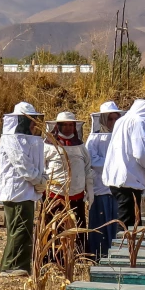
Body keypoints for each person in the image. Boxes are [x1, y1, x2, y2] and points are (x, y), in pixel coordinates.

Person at [101, 95, 145, 228]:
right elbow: (142, 154)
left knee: (126, 223)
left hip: (120, 180)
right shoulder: (139, 122)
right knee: (128, 228)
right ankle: (124, 249)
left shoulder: (123, 120)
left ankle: (124, 248)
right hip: (128, 183)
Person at [0, 102, 47, 277]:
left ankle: (13, 265)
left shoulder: (24, 139)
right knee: (20, 228)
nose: (34, 124)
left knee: (21, 228)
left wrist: (41, 179)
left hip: (24, 190)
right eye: (31, 121)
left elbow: (33, 163)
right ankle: (12, 266)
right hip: (17, 191)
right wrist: (39, 180)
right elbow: (22, 165)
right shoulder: (12, 139)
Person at [44, 111, 92, 265]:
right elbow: (41, 168)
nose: (68, 128)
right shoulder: (48, 146)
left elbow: (88, 169)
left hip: (77, 196)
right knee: (52, 230)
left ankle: (77, 258)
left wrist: (89, 189)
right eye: (64, 124)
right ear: (58, 126)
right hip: (54, 197)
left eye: (71, 124)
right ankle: (51, 259)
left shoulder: (81, 147)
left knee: (77, 229)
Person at [86, 102, 124, 258]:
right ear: (102, 119)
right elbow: (91, 160)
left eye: (116, 119)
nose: (113, 122)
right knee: (100, 224)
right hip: (100, 187)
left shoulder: (122, 137)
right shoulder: (94, 138)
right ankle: (98, 255)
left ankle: (114, 255)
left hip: (117, 187)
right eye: (110, 119)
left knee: (115, 223)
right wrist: (111, 162)